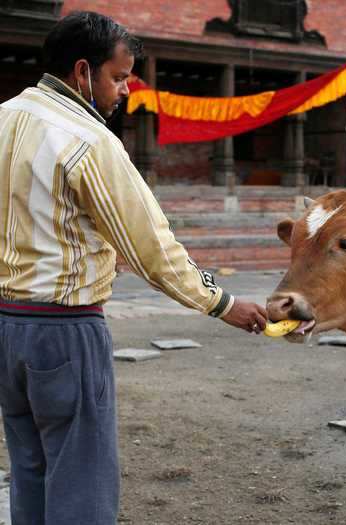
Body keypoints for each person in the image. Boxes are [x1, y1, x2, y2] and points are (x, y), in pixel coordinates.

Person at [0, 11, 267, 525]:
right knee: (81, 482)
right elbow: (153, 248)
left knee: (30, 471)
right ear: (83, 72)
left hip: (7, 325)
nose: (124, 89)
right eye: (118, 77)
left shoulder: (6, 117)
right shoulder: (89, 141)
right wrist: (223, 302)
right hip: (64, 331)